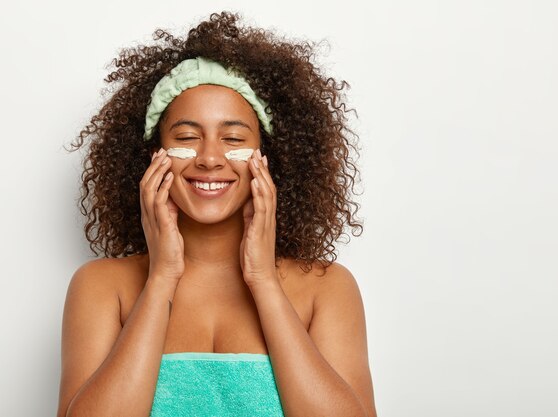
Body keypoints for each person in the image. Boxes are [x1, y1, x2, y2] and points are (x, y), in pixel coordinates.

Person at [57, 11, 376, 417]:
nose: (210, 158)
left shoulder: (325, 289)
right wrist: (161, 278)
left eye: (233, 138)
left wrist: (263, 281)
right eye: (187, 137)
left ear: (267, 156)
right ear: (155, 156)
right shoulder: (103, 288)